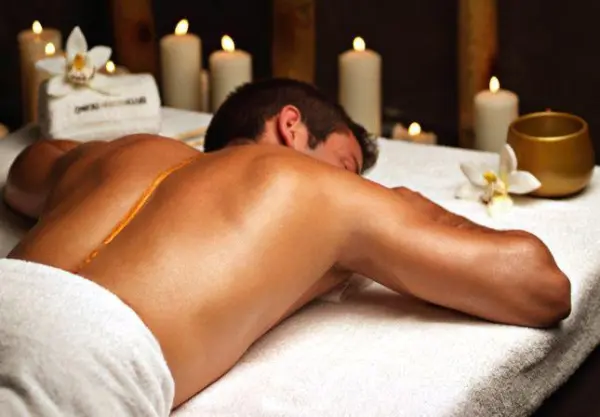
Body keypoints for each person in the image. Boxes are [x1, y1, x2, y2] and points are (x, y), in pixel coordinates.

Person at [1, 78, 570, 415]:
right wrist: (408, 205)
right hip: (84, 361)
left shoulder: (124, 153)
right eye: (348, 164)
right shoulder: (321, 191)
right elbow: (541, 285)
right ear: (291, 126)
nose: (354, 182)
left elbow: (26, 169)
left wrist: (96, 160)